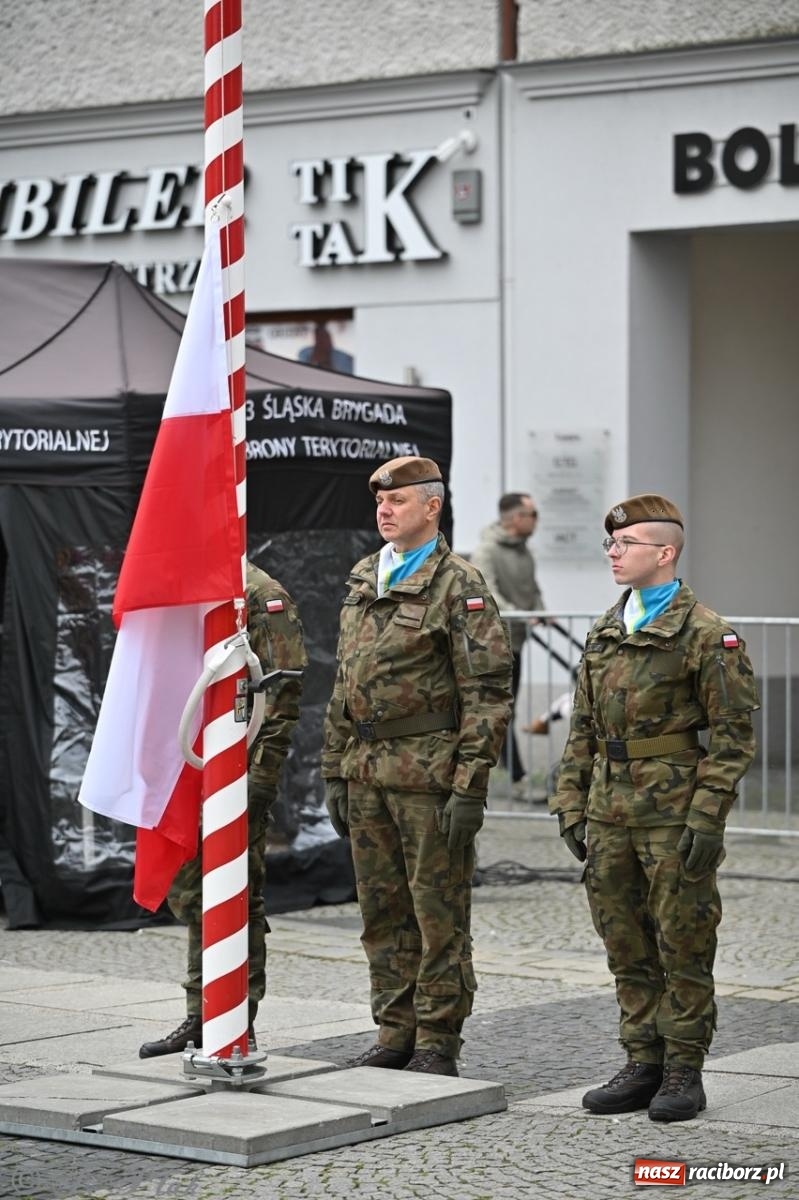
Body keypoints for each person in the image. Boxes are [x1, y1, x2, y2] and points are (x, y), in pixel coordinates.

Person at [550, 494, 759, 1122]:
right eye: (610, 544)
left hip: (672, 811)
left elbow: (732, 736)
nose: (613, 553)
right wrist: (569, 802)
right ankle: (642, 1059)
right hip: (608, 809)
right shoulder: (606, 627)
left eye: (626, 544)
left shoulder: (706, 634)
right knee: (625, 942)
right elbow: (582, 724)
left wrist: (706, 815)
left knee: (683, 942)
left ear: (664, 553)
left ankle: (684, 1070)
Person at [322, 455, 513, 1076]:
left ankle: (436, 1038)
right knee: (382, 912)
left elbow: (486, 692)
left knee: (437, 913)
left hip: (428, 775)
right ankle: (394, 1028)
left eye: (398, 500)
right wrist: (333, 768)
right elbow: (344, 681)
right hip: (367, 768)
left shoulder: (459, 584)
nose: (384, 509)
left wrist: (470, 785)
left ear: (431, 508)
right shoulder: (362, 575)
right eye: (380, 501)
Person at [139, 561, 307, 1058]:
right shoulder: (187, 590)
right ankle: (200, 1013)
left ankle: (236, 1017)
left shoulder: (260, 594)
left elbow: (283, 691)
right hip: (190, 769)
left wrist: (257, 781)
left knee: (236, 893)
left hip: (238, 772)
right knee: (194, 893)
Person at [471, 493, 544, 797]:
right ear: (516, 518)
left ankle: (505, 773)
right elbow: (485, 589)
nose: (536, 520)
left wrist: (540, 611)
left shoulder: (524, 552)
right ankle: (516, 779)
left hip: (517, 641)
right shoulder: (487, 550)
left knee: (505, 709)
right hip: (493, 643)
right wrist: (519, 614)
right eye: (533, 514)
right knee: (500, 712)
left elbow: (533, 589)